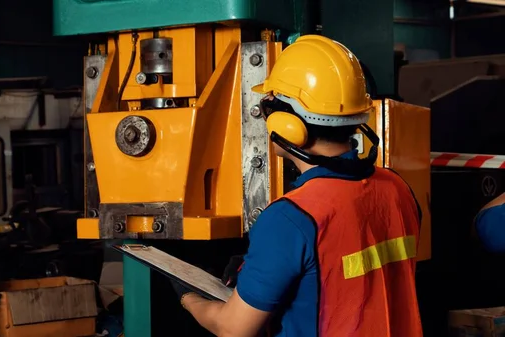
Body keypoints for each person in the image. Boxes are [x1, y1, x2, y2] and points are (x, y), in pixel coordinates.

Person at [171, 34, 423, 337]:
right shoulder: (397, 187)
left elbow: (231, 328)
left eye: (270, 108)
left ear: (287, 126)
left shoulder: (291, 217)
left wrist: (187, 297)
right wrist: (270, 267)